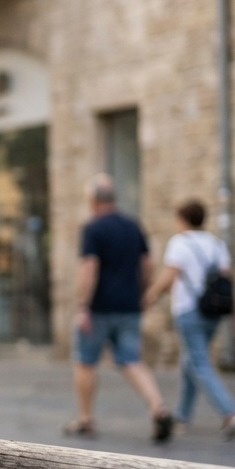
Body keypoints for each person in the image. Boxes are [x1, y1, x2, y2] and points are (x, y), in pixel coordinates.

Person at [68, 174, 174, 442]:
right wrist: (140, 292)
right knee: (132, 360)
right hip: (129, 306)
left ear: (92, 200)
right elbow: (147, 263)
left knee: (85, 361)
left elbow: (89, 267)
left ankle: (86, 419)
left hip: (99, 308)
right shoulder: (133, 226)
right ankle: (158, 407)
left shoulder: (93, 228)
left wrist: (83, 306)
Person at [143, 200, 235, 439]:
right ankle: (183, 417)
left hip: (189, 310)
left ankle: (231, 412)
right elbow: (228, 282)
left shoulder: (179, 243)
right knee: (190, 362)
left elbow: (171, 276)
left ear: (182, 219)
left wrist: (150, 295)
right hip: (213, 313)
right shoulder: (217, 245)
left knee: (199, 363)